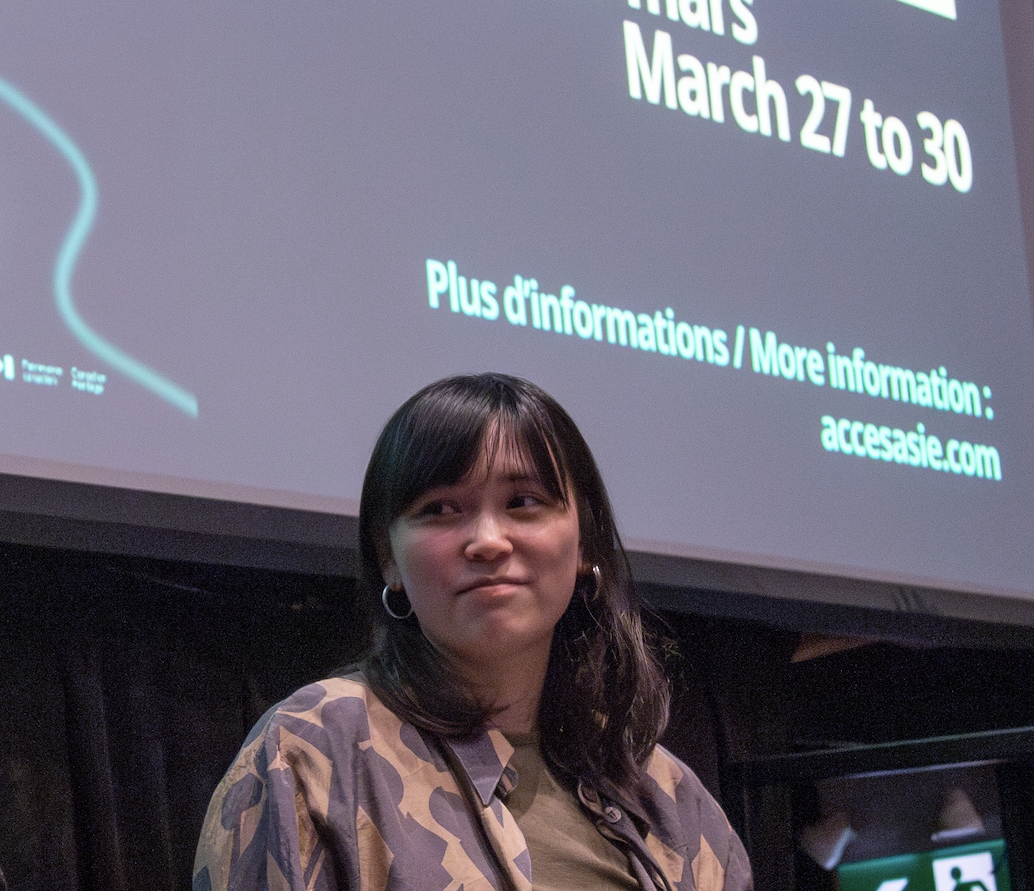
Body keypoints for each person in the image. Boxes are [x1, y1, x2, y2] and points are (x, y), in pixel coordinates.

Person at [193, 373, 753, 891]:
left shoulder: (670, 798)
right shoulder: (311, 754)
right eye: (441, 509)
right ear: (388, 558)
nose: (488, 540)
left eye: (524, 502)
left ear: (584, 544)